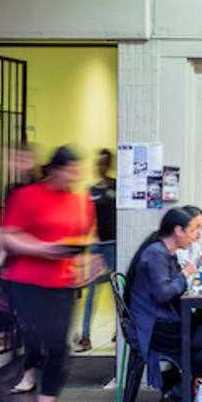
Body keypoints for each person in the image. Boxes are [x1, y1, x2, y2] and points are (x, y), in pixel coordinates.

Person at [0, 146, 97, 402]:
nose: (76, 175)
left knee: (58, 348)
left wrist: (87, 261)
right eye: (71, 170)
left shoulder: (81, 201)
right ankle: (22, 364)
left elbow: (86, 237)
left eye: (79, 170)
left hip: (63, 284)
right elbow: (8, 237)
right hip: (28, 282)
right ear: (55, 169)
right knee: (39, 341)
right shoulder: (26, 196)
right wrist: (44, 249)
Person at [124, 207, 202, 402]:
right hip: (155, 327)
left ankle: (178, 384)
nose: (194, 236)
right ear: (178, 231)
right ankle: (178, 386)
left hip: (162, 320)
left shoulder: (164, 251)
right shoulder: (156, 254)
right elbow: (164, 294)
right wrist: (186, 272)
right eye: (191, 230)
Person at [0, 142, 42, 394]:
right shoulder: (12, 191)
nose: (13, 164)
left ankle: (29, 373)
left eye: (19, 159)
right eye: (11, 159)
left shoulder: (40, 190)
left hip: (35, 265)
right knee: (14, 318)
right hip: (15, 266)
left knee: (30, 323)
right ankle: (24, 363)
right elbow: (6, 228)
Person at [75, 148, 116, 353]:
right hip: (98, 246)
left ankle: (120, 328)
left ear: (109, 165)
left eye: (104, 163)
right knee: (91, 290)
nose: (100, 167)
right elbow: (86, 220)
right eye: (97, 163)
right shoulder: (91, 191)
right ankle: (85, 335)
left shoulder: (117, 187)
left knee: (118, 289)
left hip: (115, 244)